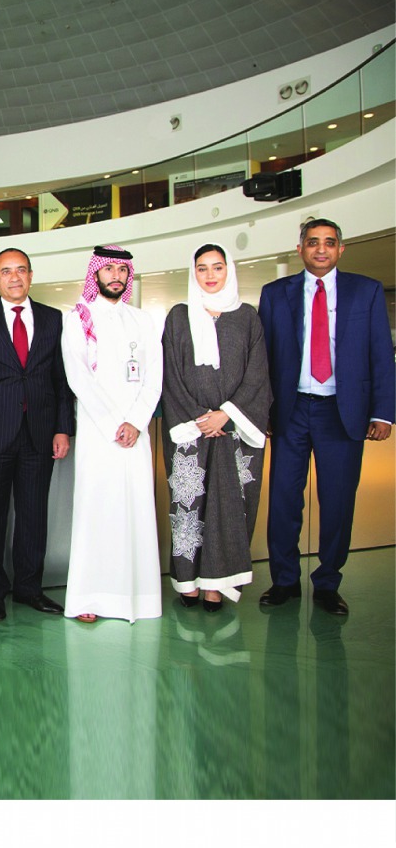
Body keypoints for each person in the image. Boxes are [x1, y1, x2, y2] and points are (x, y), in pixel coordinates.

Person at [258, 218, 394, 615]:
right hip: (291, 409)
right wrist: (262, 410)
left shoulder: (365, 291)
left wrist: (384, 412)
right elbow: (262, 360)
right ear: (300, 248)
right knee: (284, 499)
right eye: (313, 242)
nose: (321, 249)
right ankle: (284, 580)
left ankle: (328, 582)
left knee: (337, 502)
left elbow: (381, 354)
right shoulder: (274, 293)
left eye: (329, 243)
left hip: (343, 410)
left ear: (341, 249)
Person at [0, 248, 74, 621]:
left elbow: (61, 382)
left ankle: (29, 588)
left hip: (40, 435)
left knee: (33, 516)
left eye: (21, 270)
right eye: (6, 271)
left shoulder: (54, 319)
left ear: (30, 275)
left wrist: (62, 428)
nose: (14, 277)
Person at [161, 244, 271, 611]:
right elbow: (170, 376)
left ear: (229, 271)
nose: (210, 275)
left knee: (229, 503)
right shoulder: (178, 316)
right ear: (193, 273)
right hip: (189, 427)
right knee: (189, 504)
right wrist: (198, 418)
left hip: (235, 428)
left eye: (217, 267)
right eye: (203, 268)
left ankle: (216, 584)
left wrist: (225, 414)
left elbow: (257, 374)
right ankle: (188, 581)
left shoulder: (247, 317)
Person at [61, 245, 162, 623]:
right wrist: (111, 423)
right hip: (97, 432)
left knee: (135, 510)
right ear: (96, 274)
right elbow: (78, 377)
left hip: (136, 433)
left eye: (123, 270)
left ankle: (139, 598)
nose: (117, 276)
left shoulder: (143, 320)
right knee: (97, 510)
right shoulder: (79, 318)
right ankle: (91, 599)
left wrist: (136, 422)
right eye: (109, 270)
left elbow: (155, 376)